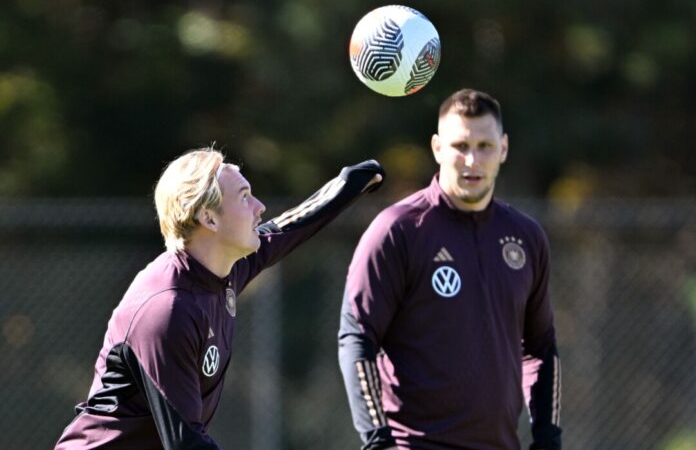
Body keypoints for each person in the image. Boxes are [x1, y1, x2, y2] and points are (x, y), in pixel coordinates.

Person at [55, 147, 384, 449]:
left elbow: (283, 231)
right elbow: (186, 443)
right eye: (244, 197)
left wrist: (346, 186)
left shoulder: (220, 269)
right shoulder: (168, 309)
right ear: (209, 219)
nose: (259, 207)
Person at [338, 89, 562, 450]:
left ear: (503, 148)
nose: (472, 160)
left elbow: (539, 348)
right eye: (460, 145)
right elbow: (356, 338)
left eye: (485, 146)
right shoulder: (398, 230)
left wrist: (548, 438)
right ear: (437, 148)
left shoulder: (526, 237)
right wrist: (378, 441)